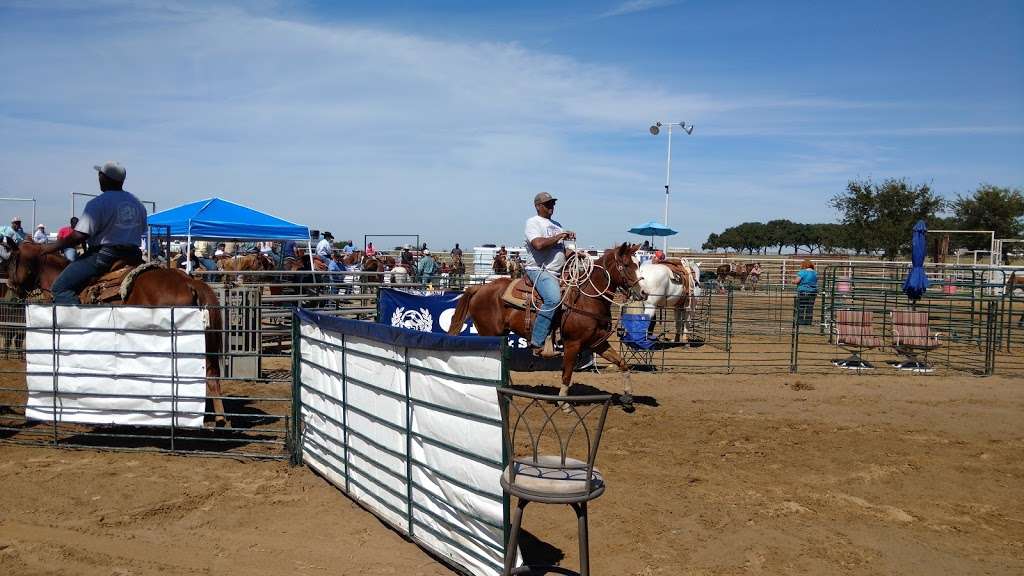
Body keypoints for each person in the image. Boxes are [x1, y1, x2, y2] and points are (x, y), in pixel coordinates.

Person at [42, 161, 146, 305]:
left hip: (105, 256)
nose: (98, 177)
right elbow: (142, 230)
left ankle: (79, 323)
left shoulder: (98, 203)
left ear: (104, 178)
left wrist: (49, 248)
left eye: (100, 174)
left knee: (59, 288)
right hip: (133, 255)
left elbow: (79, 236)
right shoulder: (137, 204)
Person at [524, 191, 574, 357]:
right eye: (547, 204)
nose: (551, 207)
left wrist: (573, 254)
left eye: (552, 203)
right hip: (539, 270)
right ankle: (537, 343)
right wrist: (560, 236)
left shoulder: (557, 224)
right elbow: (538, 244)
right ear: (538, 206)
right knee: (553, 299)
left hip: (557, 271)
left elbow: (559, 250)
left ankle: (564, 338)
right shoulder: (533, 222)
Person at [795, 259, 818, 326]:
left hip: (803, 291)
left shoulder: (802, 272)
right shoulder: (815, 273)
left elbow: (797, 281)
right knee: (810, 307)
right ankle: (808, 322)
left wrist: (793, 281)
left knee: (801, 306)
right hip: (813, 292)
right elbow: (816, 281)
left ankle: (800, 321)